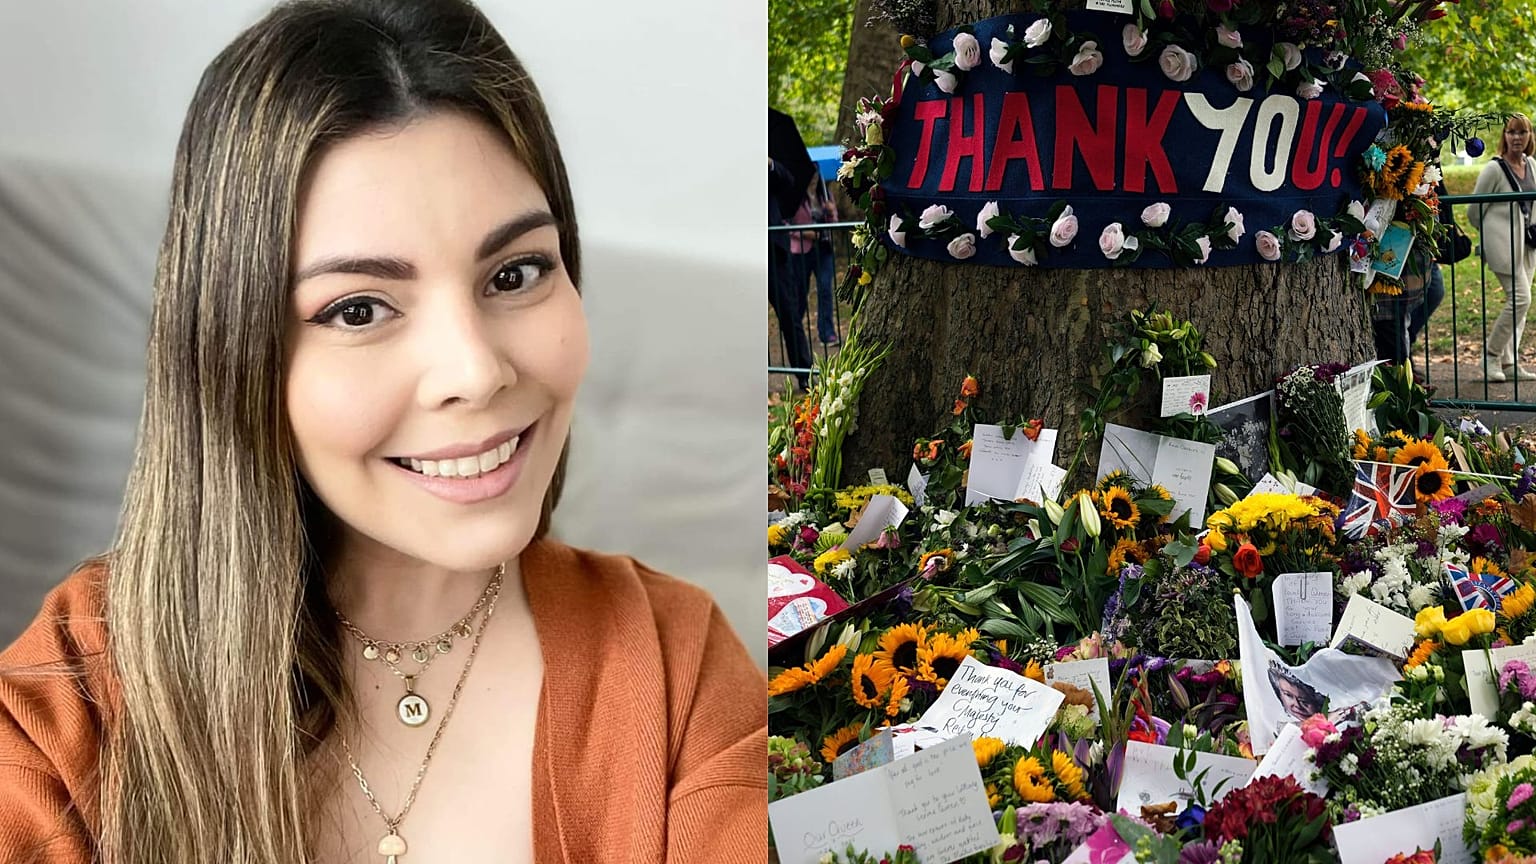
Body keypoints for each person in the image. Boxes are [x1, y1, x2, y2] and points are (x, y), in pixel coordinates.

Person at [0, 3, 766, 863]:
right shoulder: (70, 697)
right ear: (233, 352)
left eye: (516, 273)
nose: (475, 371)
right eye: (358, 309)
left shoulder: (674, 668)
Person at [1472, 113, 1536, 382]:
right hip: (1503, 247)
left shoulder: (1532, 164)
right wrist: (1492, 237)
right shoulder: (1493, 169)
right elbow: (1474, 212)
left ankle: (1510, 363)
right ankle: (1491, 356)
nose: (1517, 138)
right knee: (1521, 299)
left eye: (1522, 132)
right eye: (1512, 132)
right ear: (1504, 136)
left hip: (1529, 245)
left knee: (1520, 307)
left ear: (1530, 136)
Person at [769, 108, 816, 390]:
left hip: (772, 247)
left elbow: (788, 179)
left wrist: (771, 164)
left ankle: (805, 375)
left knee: (789, 312)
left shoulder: (773, 158)